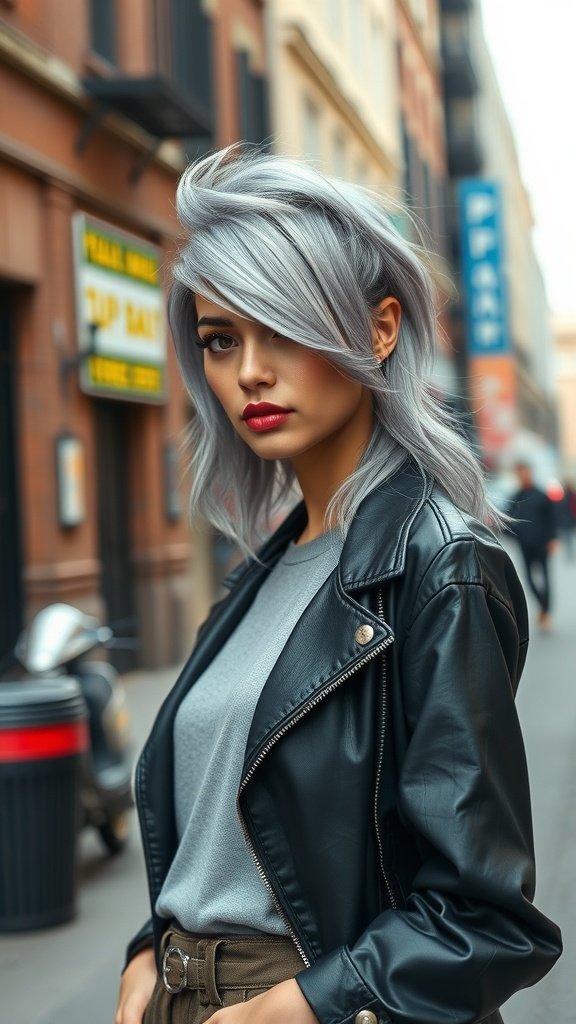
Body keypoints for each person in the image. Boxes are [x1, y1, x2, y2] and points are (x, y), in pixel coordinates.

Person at [116, 147, 561, 1024]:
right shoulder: (258, 576)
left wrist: (307, 1005)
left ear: (380, 329)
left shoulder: (441, 567)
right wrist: (149, 947)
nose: (249, 371)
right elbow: (230, 832)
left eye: (281, 326)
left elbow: (486, 918)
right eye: (221, 339)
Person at [508, 461, 558, 629]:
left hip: (542, 543)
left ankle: (546, 612)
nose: (523, 476)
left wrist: (552, 539)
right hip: (524, 544)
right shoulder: (515, 497)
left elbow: (551, 518)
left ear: (530, 472)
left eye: (525, 472)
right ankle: (543, 608)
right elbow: (509, 521)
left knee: (545, 578)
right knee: (529, 579)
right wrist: (515, 535)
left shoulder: (541, 495)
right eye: (519, 473)